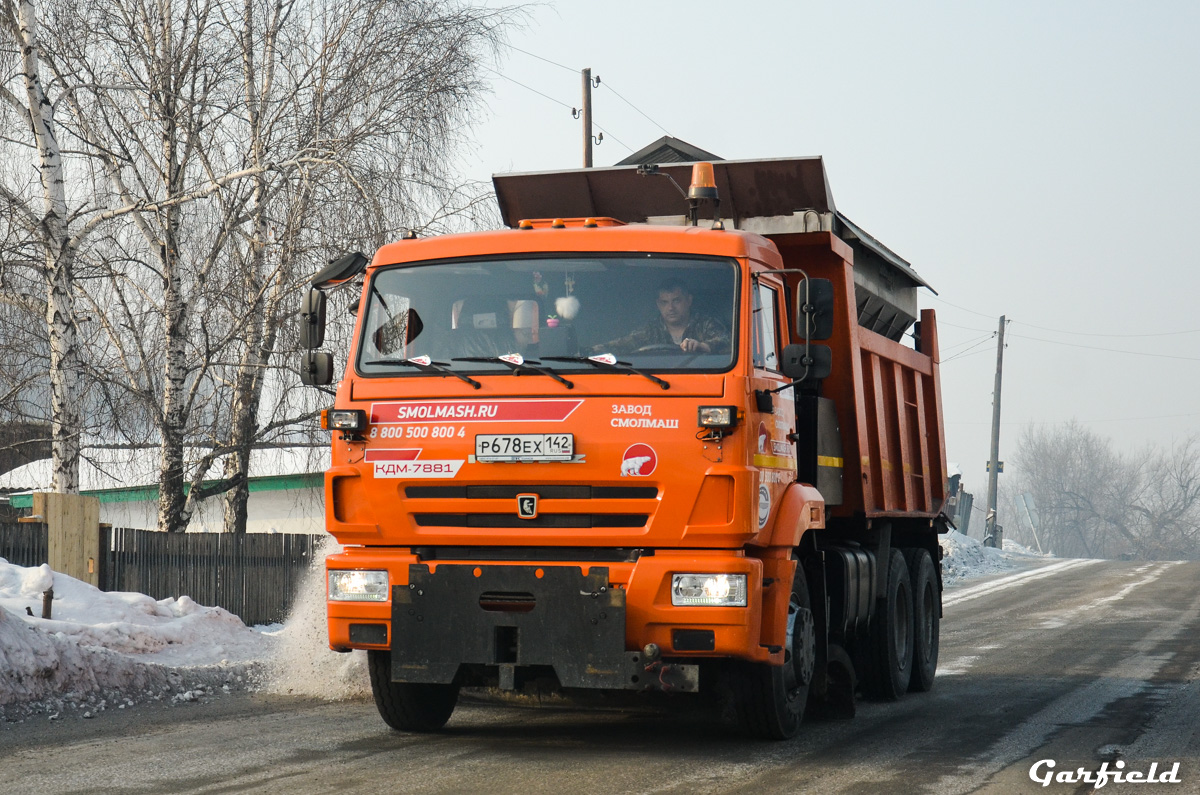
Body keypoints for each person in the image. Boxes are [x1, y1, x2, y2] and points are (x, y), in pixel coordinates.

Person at [599, 278, 729, 355]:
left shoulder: (706, 324)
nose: (670, 308)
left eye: (676, 301)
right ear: (658, 304)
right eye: (664, 302)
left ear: (689, 301)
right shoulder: (650, 331)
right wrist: (583, 355)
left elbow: (727, 340)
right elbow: (621, 344)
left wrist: (701, 346)